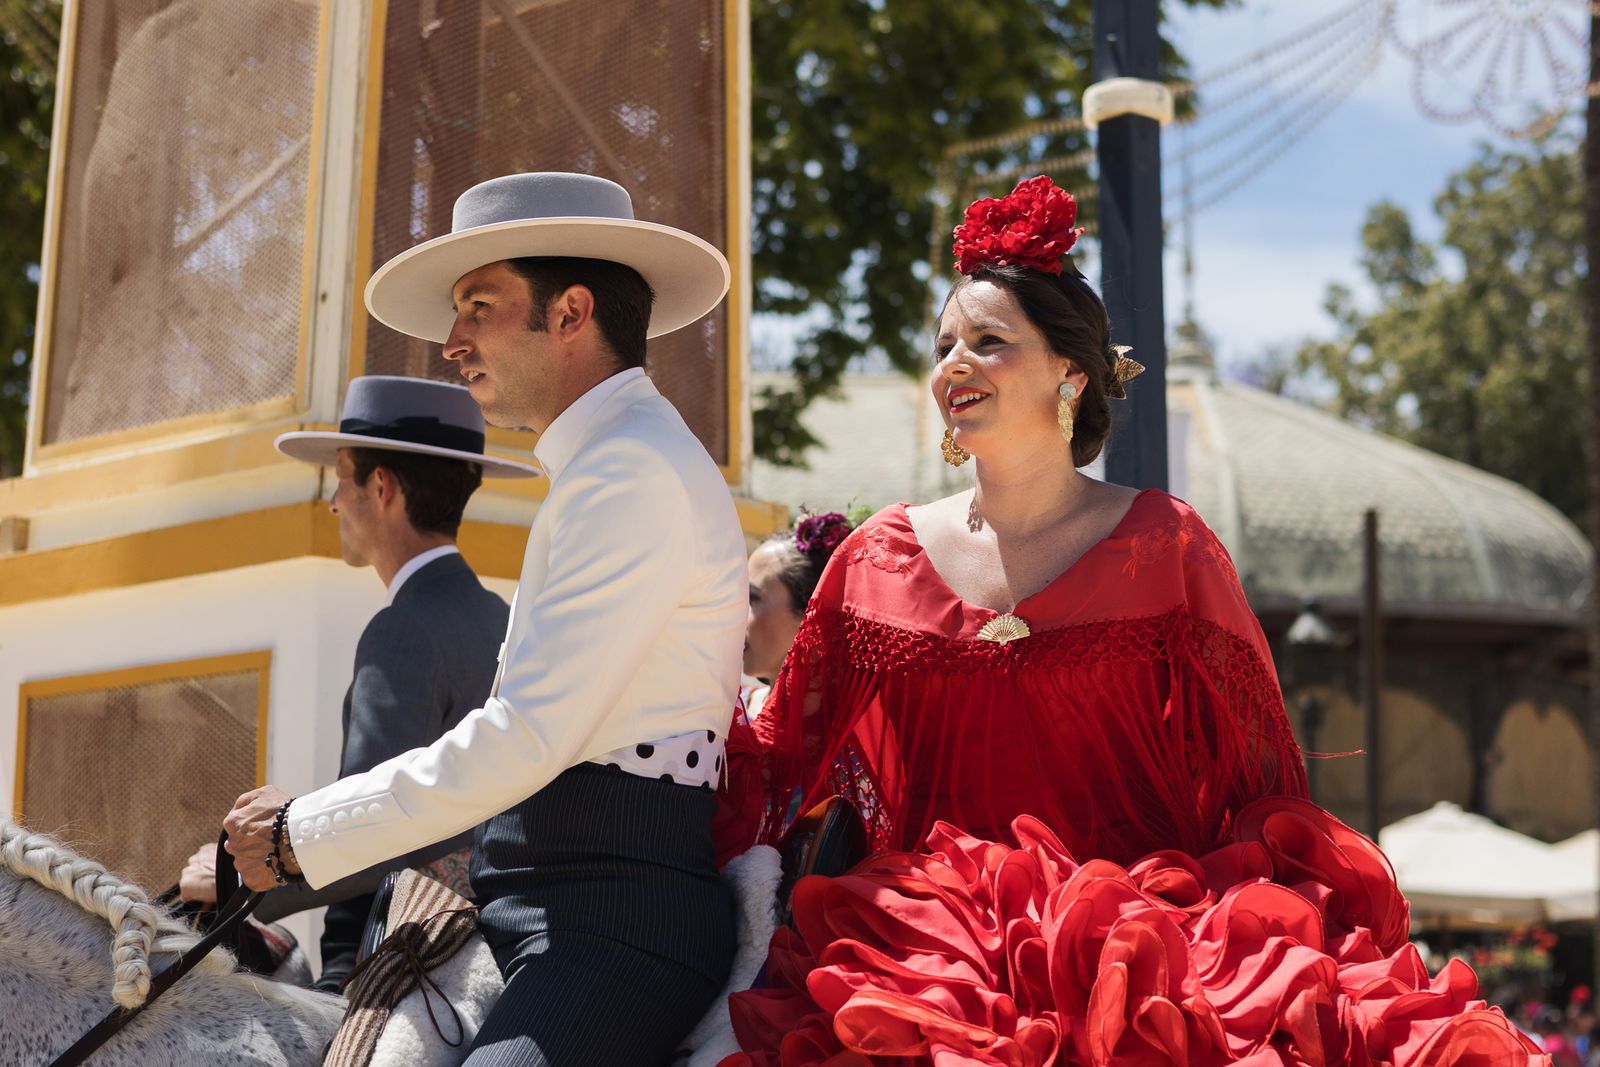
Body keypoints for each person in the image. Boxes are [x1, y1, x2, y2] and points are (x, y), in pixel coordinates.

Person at [718, 176, 1547, 1066]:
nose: (954, 363)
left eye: (989, 342)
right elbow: (780, 763)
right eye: (944, 344)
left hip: (1144, 943)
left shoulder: (1167, 543)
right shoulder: (875, 557)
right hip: (927, 948)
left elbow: (1254, 772)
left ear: (1069, 375)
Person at [224, 172, 749, 1065]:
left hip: (610, 928)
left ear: (571, 310)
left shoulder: (628, 471)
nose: (452, 341)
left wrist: (298, 832)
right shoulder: (606, 464)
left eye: (479, 305)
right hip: (546, 911)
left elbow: (525, 736)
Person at [178, 374, 533, 991]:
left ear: (381, 486)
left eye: (341, 480)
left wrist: (239, 880)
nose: (333, 502)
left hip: (400, 960)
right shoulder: (505, 619)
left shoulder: (402, 630)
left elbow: (376, 831)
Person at [742, 511, 856, 720]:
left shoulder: (855, 741)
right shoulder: (730, 711)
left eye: (752, 597)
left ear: (810, 617)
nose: (736, 613)